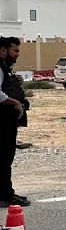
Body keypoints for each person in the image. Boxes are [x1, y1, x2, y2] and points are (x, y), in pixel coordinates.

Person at [0, 37, 30, 206]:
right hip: (2, 121)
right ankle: (5, 195)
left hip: (7, 121)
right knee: (4, 157)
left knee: (6, 157)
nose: (17, 54)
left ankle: (6, 192)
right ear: (4, 50)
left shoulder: (5, 67)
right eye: (15, 50)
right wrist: (15, 103)